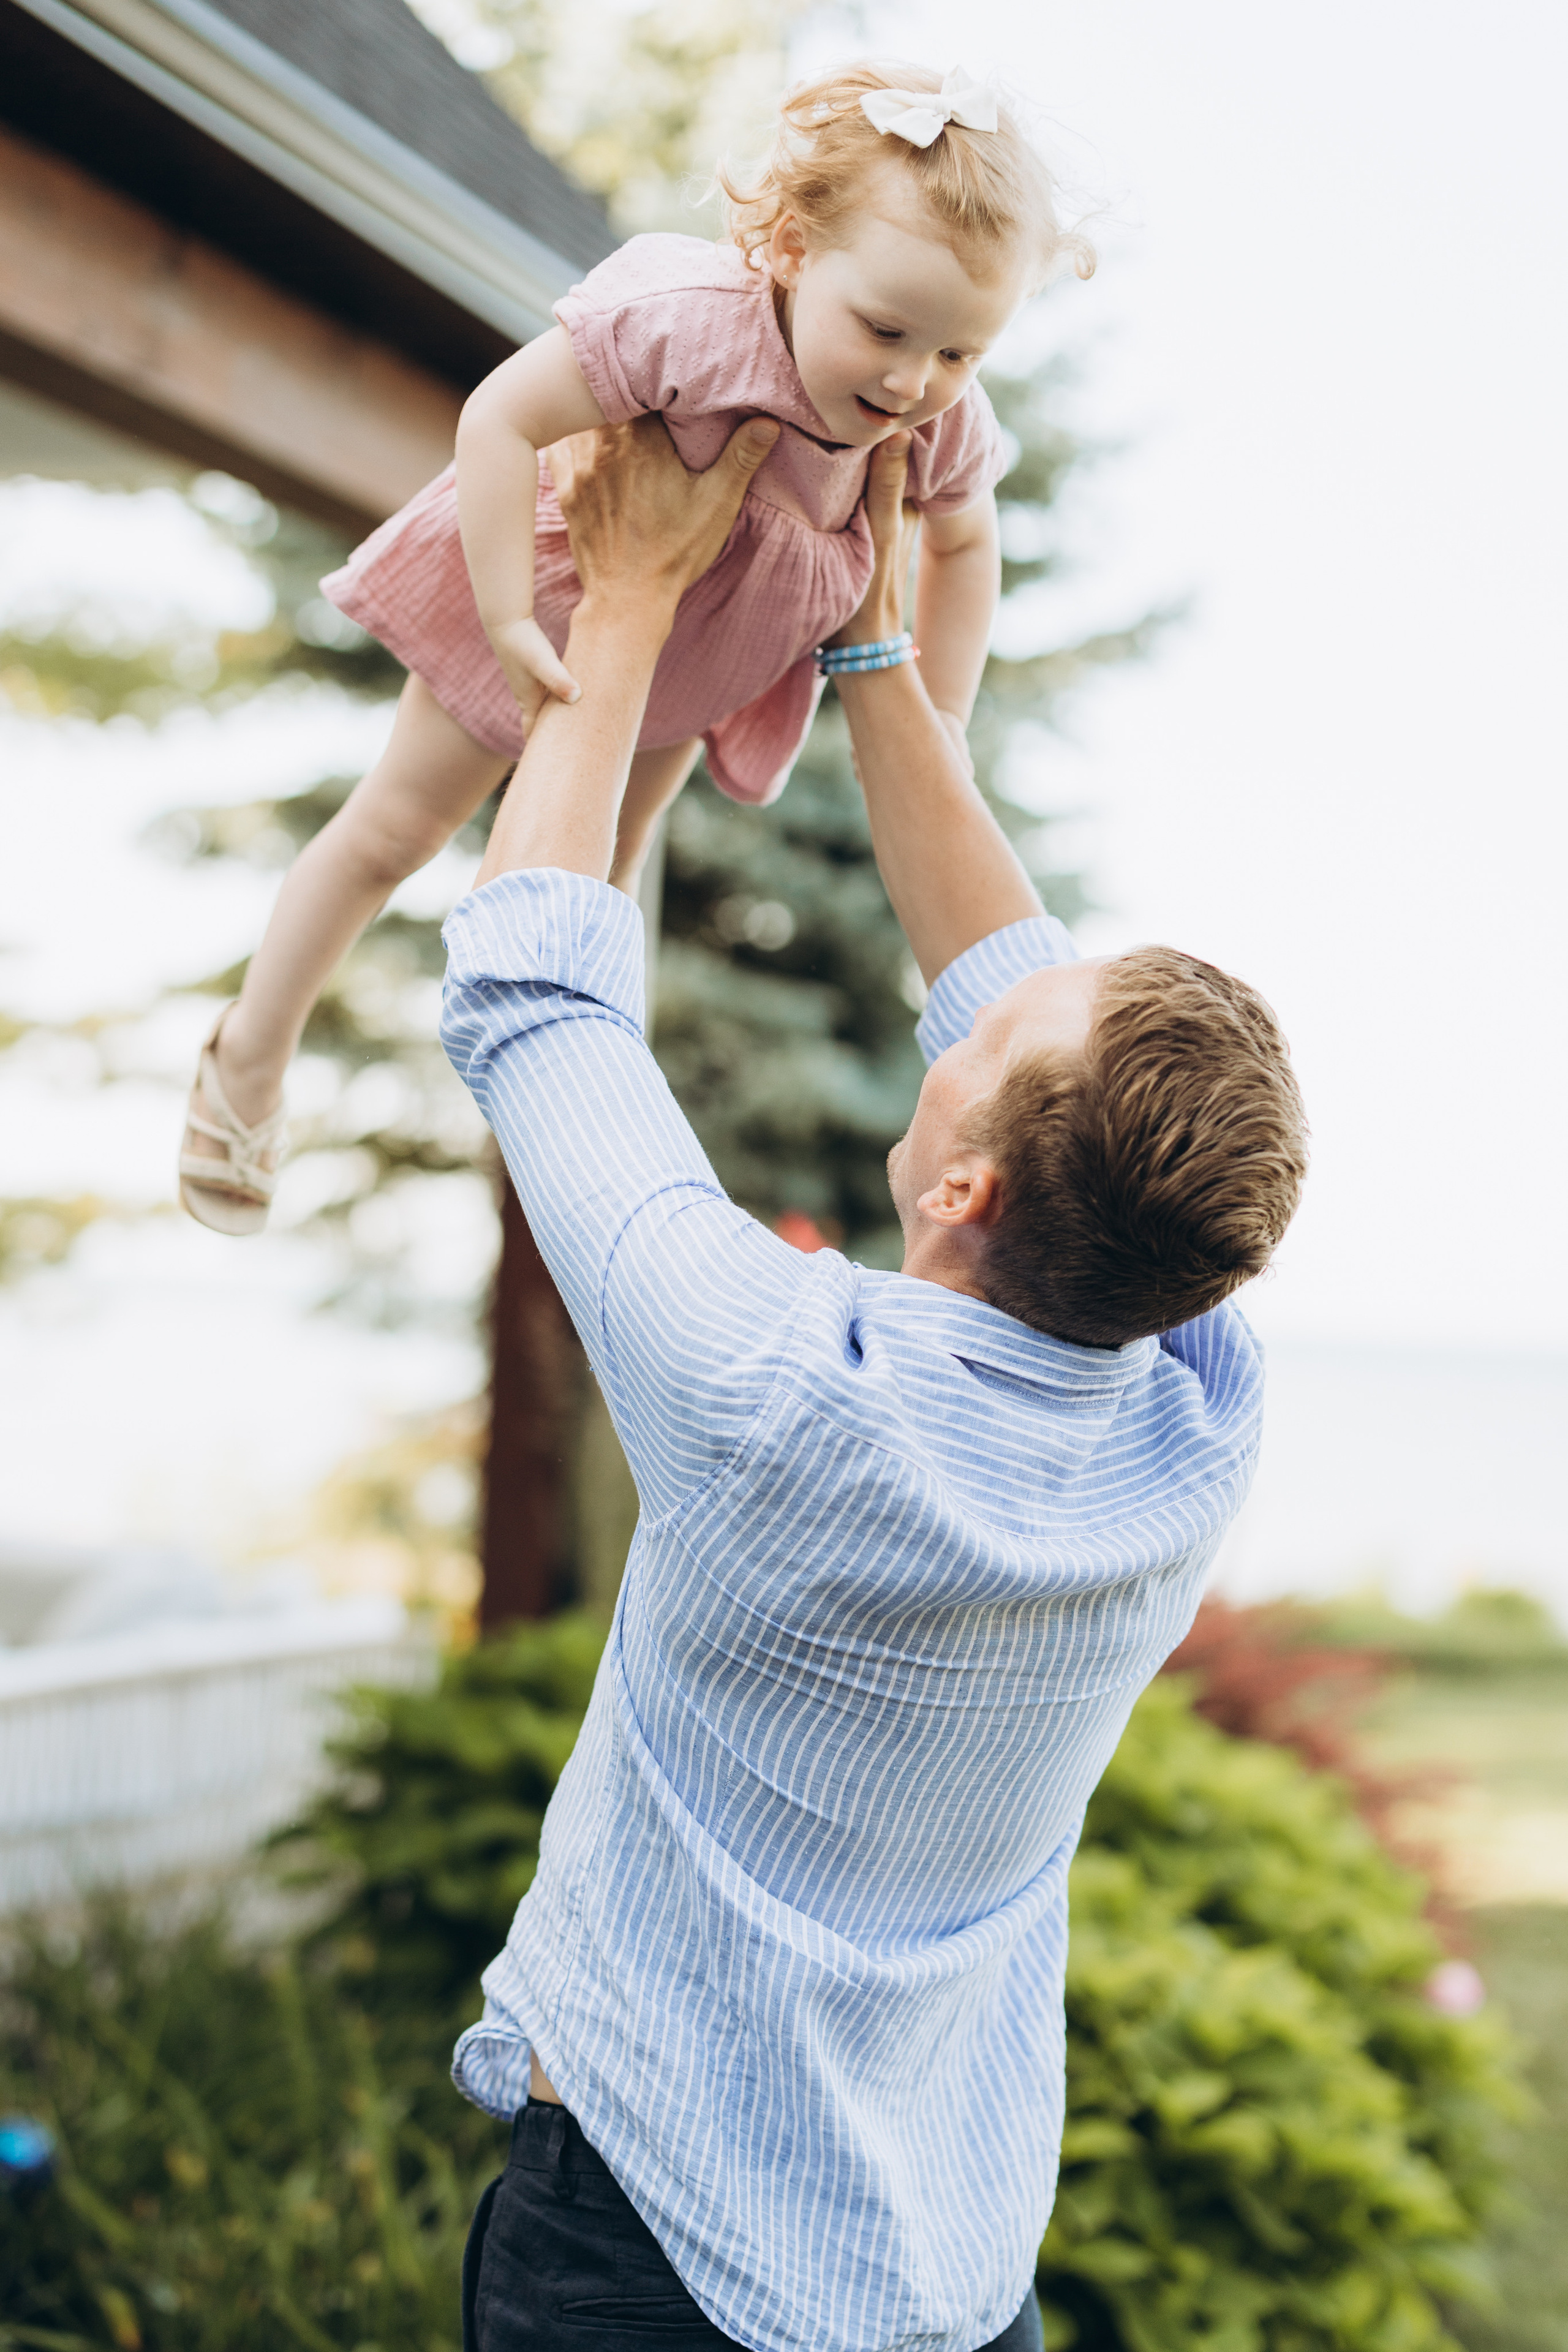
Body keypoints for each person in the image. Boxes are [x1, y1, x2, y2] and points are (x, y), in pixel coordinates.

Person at [441, 412, 1308, 2352]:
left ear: (963, 1184)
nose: (973, 995)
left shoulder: (772, 1391)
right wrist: (869, 652)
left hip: (644, 2277)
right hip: (939, 2281)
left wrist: (642, 595)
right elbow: (1021, 998)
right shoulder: (1198, 1409)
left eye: (983, 1040)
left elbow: (529, 996)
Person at [176, 61, 1095, 1234]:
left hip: (696, 660)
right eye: (885, 331)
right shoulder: (692, 324)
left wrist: (944, 723)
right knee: (394, 830)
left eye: (962, 353)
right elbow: (502, 416)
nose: (916, 381)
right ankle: (251, 1051)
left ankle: (581, 1127)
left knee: (614, 873)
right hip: (559, 599)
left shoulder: (938, 417)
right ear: (794, 249)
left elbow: (964, 548)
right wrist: (507, 614)